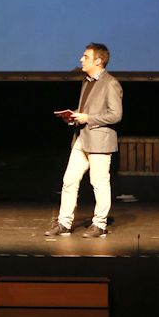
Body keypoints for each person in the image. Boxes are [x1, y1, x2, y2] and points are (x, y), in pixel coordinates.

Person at [45, 43, 123, 238]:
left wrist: (89, 118)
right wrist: (74, 117)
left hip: (99, 140)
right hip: (82, 138)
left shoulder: (110, 83)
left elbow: (116, 115)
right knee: (69, 180)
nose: (81, 59)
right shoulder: (86, 82)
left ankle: (100, 224)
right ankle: (64, 223)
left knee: (99, 182)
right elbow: (88, 110)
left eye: (86, 57)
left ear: (98, 61)